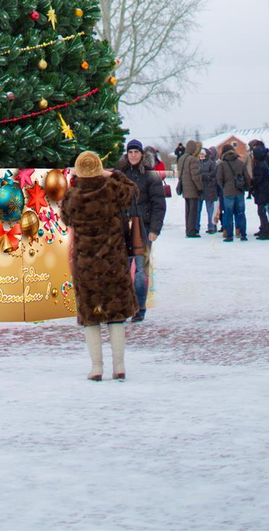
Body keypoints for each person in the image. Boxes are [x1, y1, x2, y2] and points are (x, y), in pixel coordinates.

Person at [61, 150, 139, 380]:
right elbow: (134, 191)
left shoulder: (72, 196)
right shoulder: (113, 189)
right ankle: (119, 366)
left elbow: (67, 219)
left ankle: (96, 367)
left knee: (91, 316)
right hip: (113, 262)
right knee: (116, 315)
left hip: (87, 265)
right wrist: (113, 174)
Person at [115, 139, 165, 322]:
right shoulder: (121, 175)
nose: (133, 155)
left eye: (136, 152)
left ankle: (139, 308)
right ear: (127, 155)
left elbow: (159, 204)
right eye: (130, 153)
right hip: (123, 226)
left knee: (140, 270)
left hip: (141, 227)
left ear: (141, 154)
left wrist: (154, 228)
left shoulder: (150, 176)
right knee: (122, 269)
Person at [216, 142, 248, 241]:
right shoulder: (240, 163)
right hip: (239, 192)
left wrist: (224, 187)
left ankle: (229, 235)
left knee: (228, 213)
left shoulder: (222, 165)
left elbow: (219, 179)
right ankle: (243, 234)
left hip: (228, 192)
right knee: (241, 213)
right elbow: (246, 177)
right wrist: (245, 187)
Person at [248, 139, 269, 238]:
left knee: (267, 209)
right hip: (265, 189)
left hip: (265, 189)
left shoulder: (263, 162)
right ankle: (265, 228)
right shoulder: (262, 162)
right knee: (265, 209)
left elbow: (259, 178)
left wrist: (251, 183)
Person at [178, 138, 204, 238]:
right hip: (192, 188)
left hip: (185, 187)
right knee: (193, 211)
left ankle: (188, 229)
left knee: (188, 210)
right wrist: (200, 187)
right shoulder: (193, 159)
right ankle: (191, 231)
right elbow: (195, 176)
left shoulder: (181, 158)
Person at [198, 145, 219, 234]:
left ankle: (212, 226)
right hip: (200, 189)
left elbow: (213, 174)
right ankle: (196, 227)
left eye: (203, 154)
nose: (201, 155)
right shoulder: (197, 163)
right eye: (200, 154)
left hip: (210, 189)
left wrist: (203, 176)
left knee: (210, 209)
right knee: (198, 210)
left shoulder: (211, 163)